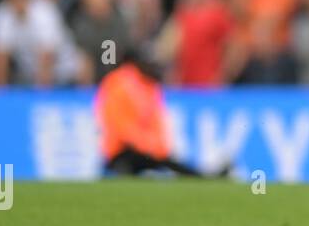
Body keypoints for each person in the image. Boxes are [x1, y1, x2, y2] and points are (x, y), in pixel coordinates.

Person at [95, 51, 226, 177]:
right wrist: (148, 145)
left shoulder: (147, 85)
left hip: (138, 149)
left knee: (167, 162)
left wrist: (154, 147)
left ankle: (203, 176)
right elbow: (119, 123)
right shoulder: (122, 83)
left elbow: (154, 123)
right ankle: (203, 176)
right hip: (122, 150)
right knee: (165, 163)